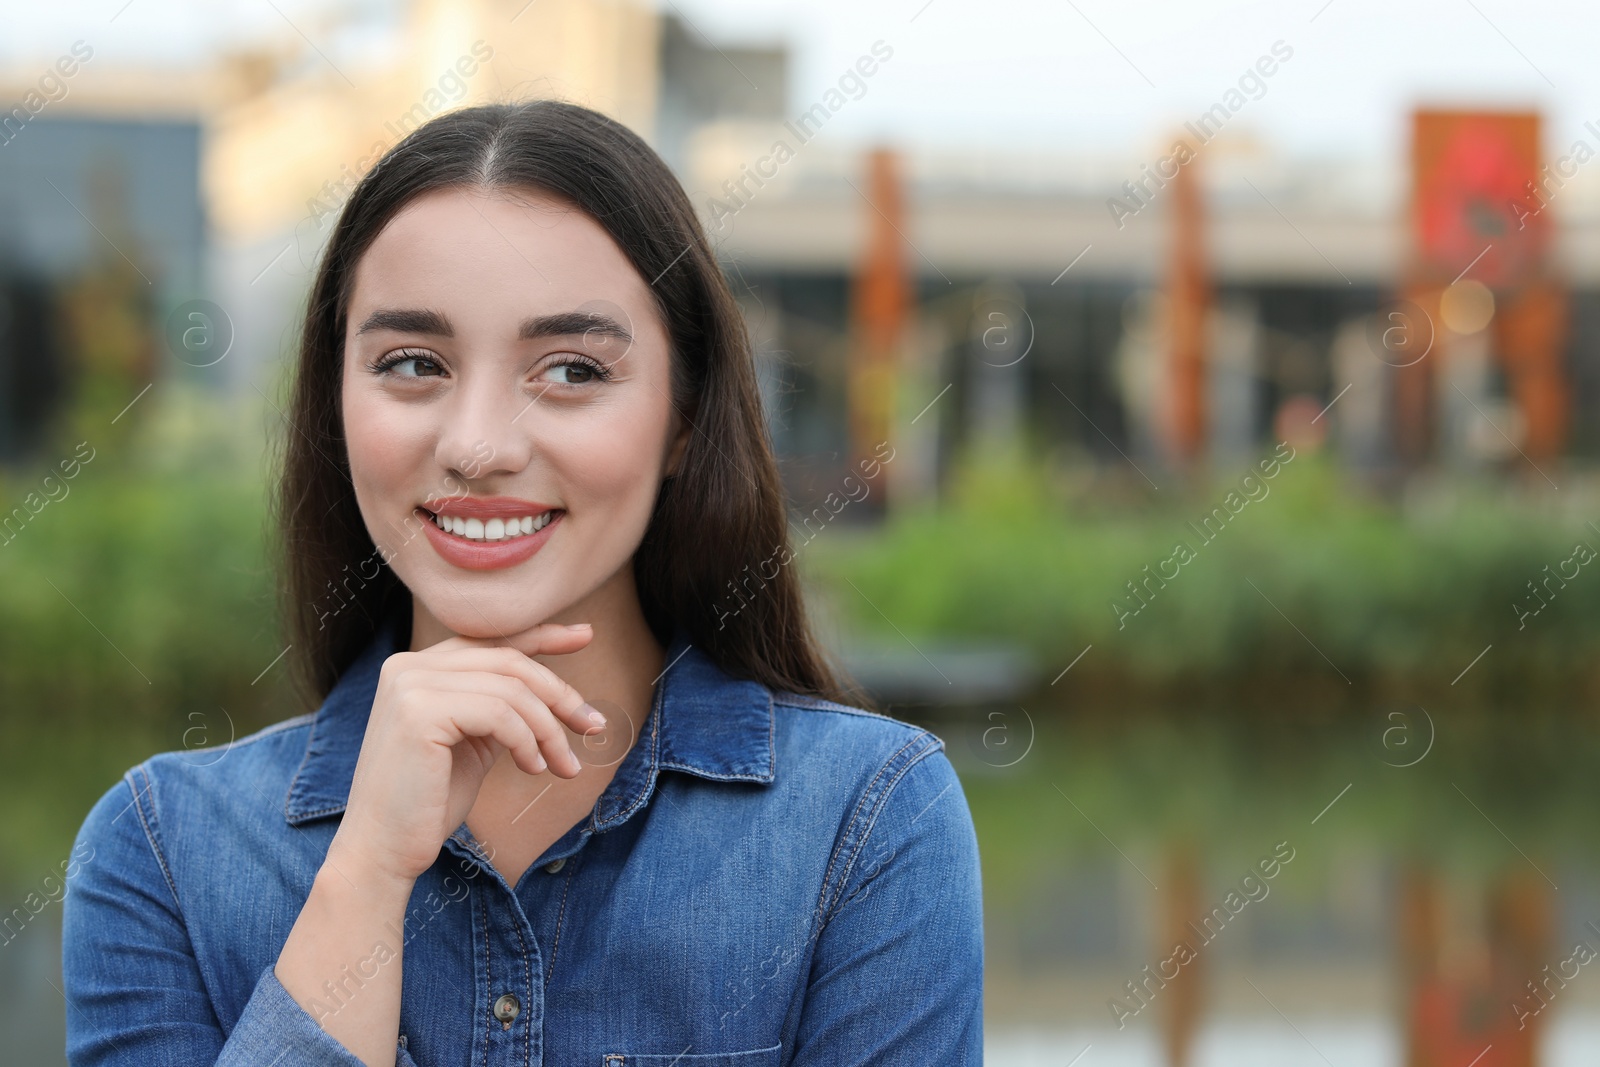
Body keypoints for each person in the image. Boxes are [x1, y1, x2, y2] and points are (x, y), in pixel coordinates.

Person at [61, 99, 984, 1066]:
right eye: (413, 362)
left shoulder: (868, 821)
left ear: (683, 416)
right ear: (334, 402)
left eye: (573, 369)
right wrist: (367, 874)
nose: (478, 446)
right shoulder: (160, 851)